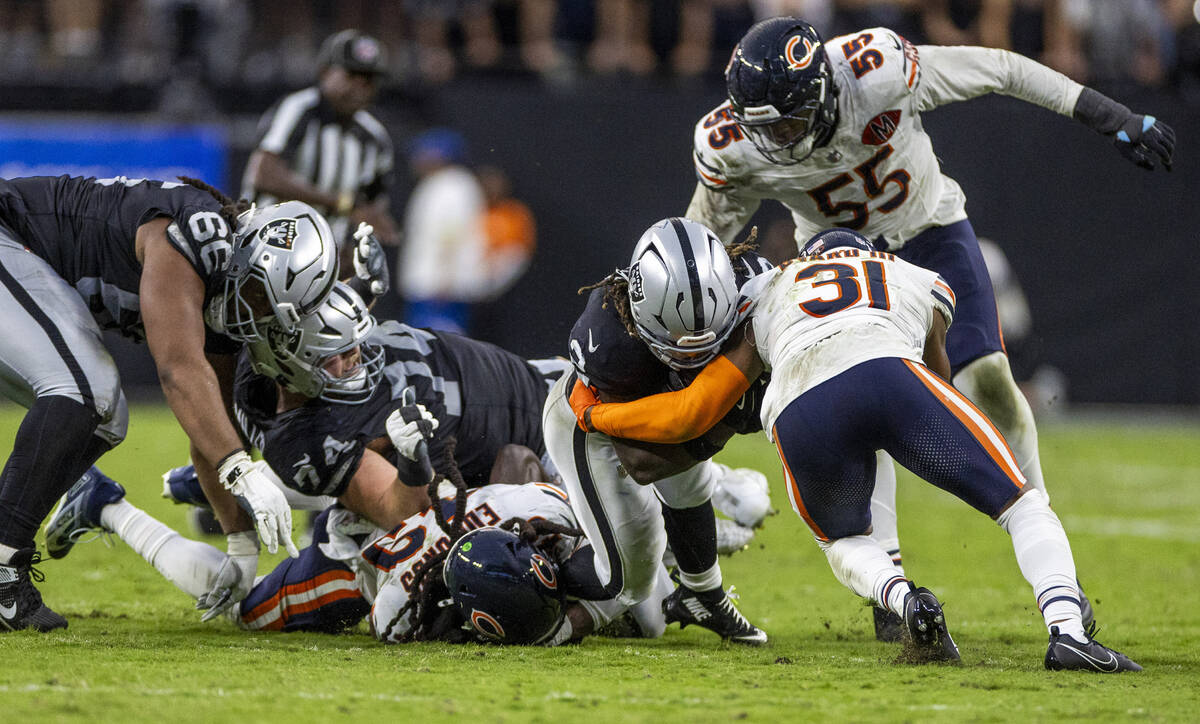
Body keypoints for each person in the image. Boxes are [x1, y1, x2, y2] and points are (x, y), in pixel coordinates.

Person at [685, 15, 1174, 625]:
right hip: (843, 258)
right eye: (765, 127)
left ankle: (1046, 546)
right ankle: (891, 586)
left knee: (992, 381)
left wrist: (1105, 114)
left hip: (931, 233)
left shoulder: (878, 69)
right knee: (858, 392)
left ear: (822, 91)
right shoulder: (729, 142)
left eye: (786, 121)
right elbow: (702, 240)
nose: (778, 139)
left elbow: (998, 68)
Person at [570, 227, 1142, 672]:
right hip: (893, 376)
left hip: (803, 410)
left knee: (846, 540)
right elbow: (937, 369)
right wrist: (920, 439)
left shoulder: (767, 289)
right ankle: (1068, 630)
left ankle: (900, 600)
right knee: (1021, 504)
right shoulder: (908, 273)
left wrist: (594, 411)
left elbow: (695, 409)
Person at [0, 175, 339, 632]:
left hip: (18, 258)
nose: (256, 310)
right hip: (9, 235)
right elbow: (178, 372)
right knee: (85, 391)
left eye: (268, 309)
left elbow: (211, 424)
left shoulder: (226, 287)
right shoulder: (194, 236)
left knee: (104, 418)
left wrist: (239, 543)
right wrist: (239, 468)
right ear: (249, 256)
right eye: (259, 294)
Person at [45, 444, 672, 645]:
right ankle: (106, 504)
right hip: (354, 560)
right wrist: (565, 626)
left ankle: (226, 488)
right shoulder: (401, 594)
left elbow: (625, 571)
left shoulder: (533, 508)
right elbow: (390, 626)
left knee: (645, 608)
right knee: (237, 603)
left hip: (428, 508)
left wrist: (580, 607)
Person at [543, 217, 776, 647]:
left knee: (690, 490)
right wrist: (726, 414)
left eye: (709, 344)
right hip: (594, 429)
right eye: (674, 344)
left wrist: (707, 409)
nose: (692, 359)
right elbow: (643, 463)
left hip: (673, 417)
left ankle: (703, 595)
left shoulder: (758, 289)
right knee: (625, 583)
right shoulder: (610, 341)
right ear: (638, 312)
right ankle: (533, 566)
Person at [241, 28, 399, 271]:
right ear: (325, 71)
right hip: (265, 249)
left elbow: (372, 206)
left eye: (368, 79)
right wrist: (339, 202)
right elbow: (264, 174)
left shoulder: (375, 137)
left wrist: (360, 242)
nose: (359, 86)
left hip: (325, 264)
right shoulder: (299, 109)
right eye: (351, 75)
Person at [396, 129, 487, 334]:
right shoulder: (440, 183)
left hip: (440, 288)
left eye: (423, 153)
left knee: (437, 349)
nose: (416, 159)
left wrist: (444, 280)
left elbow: (451, 235)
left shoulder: (451, 185)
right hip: (432, 285)